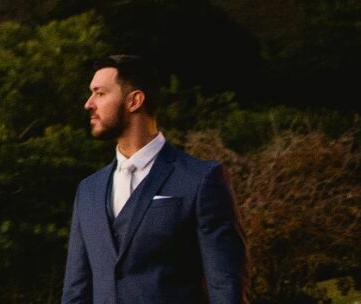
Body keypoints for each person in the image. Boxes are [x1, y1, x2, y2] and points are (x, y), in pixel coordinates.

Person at [60, 54, 248, 304]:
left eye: (100, 93)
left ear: (134, 100)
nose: (88, 104)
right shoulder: (88, 190)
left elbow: (227, 288)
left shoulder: (201, 180)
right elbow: (75, 292)